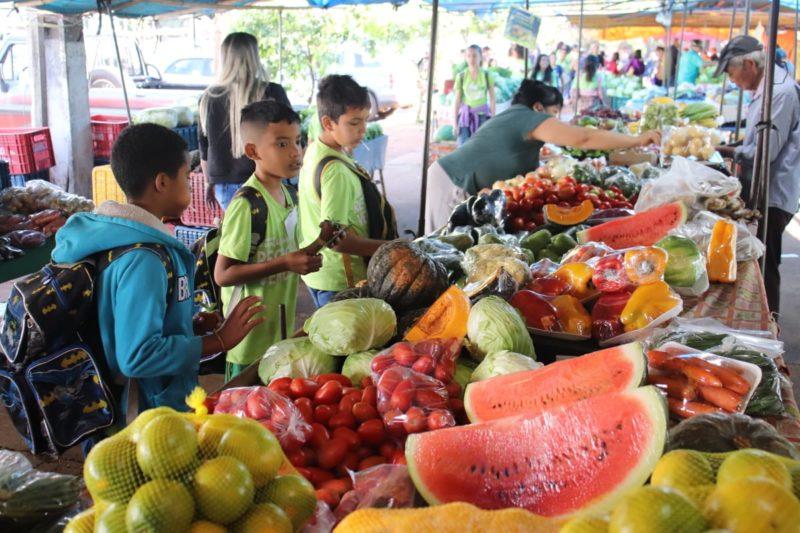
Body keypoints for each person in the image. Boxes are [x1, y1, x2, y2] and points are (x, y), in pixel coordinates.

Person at [52, 124, 264, 421]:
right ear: (162, 182)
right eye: (187, 178)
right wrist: (218, 341)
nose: (191, 185)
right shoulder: (144, 259)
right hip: (142, 416)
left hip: (150, 402)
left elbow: (127, 319)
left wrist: (187, 324)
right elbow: (137, 355)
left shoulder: (125, 238)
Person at [425, 81, 661, 233]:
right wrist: (637, 140)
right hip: (451, 182)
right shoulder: (526, 118)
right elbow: (583, 139)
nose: (556, 119)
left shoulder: (516, 118)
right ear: (538, 108)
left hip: (456, 181)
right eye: (554, 113)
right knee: (442, 248)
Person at [213, 101, 325, 379]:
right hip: (248, 340)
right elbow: (223, 274)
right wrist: (286, 263)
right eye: (282, 144)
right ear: (253, 151)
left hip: (278, 333)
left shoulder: (287, 196)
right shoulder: (247, 205)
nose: (295, 153)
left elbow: (286, 254)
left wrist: (322, 241)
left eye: (297, 142)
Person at [715, 36, 800, 315]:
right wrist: (738, 146)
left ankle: (769, 331)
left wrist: (726, 149)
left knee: (765, 265)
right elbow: (757, 140)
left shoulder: (779, 93)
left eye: (731, 73)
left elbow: (766, 153)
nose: (732, 81)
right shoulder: (767, 86)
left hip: (773, 193)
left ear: (749, 64)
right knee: (759, 262)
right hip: (765, 188)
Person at [298, 75, 395, 308]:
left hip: (322, 275)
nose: (362, 129)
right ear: (329, 123)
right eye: (353, 123)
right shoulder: (335, 172)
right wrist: (386, 249)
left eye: (365, 120)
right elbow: (336, 238)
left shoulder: (317, 149)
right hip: (339, 280)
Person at [199, 32, 291, 211]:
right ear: (254, 56)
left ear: (225, 58)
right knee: (274, 237)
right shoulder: (272, 92)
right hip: (268, 180)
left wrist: (208, 182)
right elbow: (290, 139)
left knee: (241, 237)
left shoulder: (209, 97)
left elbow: (204, 149)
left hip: (224, 185)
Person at [454, 45, 496, 145]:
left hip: (483, 117)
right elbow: (457, 101)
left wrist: (493, 120)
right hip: (464, 118)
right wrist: (455, 122)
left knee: (481, 148)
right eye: (469, 56)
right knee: (462, 148)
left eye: (474, 56)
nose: (472, 59)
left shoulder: (487, 75)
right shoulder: (461, 76)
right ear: (465, 57)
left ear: (480, 57)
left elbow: (492, 99)